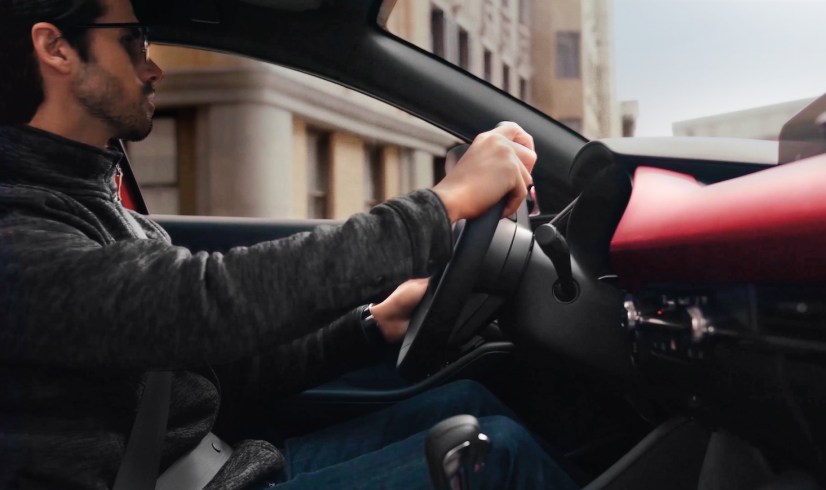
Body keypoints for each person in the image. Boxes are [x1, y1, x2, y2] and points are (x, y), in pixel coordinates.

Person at [0, 0, 580, 488]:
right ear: (56, 48)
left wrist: (371, 325)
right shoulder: (16, 228)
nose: (153, 70)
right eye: (133, 43)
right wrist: (444, 203)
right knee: (495, 453)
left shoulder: (90, 193)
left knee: (467, 404)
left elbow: (215, 373)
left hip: (223, 464)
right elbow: (203, 305)